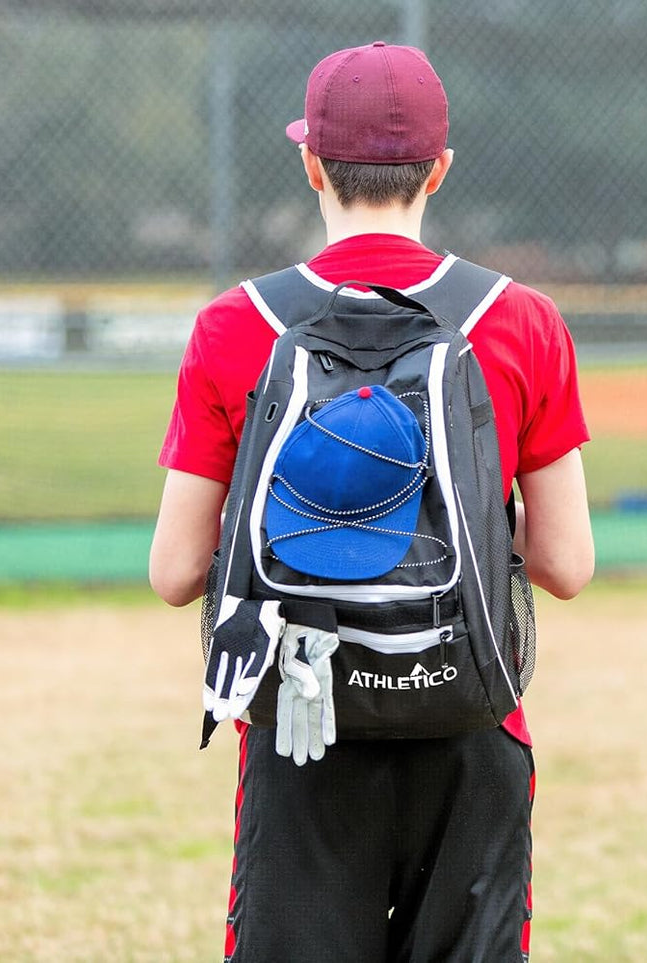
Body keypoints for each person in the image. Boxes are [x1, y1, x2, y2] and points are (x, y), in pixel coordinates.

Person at [148, 41, 594, 962]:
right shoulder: (520, 320)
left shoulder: (237, 325)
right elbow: (565, 564)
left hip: (299, 724)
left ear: (310, 162)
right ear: (439, 169)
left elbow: (175, 571)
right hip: (469, 719)